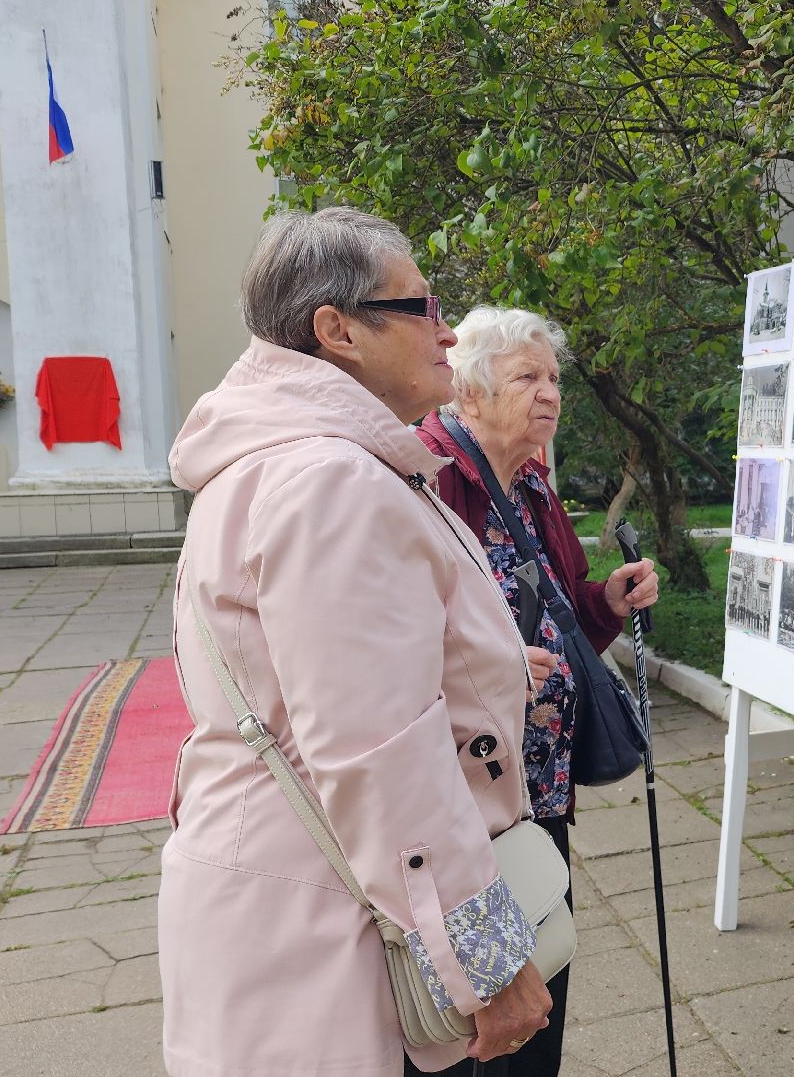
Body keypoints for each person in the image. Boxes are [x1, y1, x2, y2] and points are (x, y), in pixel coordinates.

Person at [162, 208, 552, 1077]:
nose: (446, 331)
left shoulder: (285, 461)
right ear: (337, 331)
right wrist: (486, 964)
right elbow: (380, 751)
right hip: (322, 918)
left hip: (285, 887)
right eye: (421, 307)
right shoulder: (328, 478)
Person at [416, 306, 661, 1077]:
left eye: (553, 377)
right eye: (528, 376)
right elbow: (393, 642)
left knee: (542, 979)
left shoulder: (532, 487)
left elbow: (560, 612)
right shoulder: (428, 480)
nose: (550, 393)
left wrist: (607, 603)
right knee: (464, 1016)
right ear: (472, 390)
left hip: (538, 789)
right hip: (457, 803)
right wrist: (490, 667)